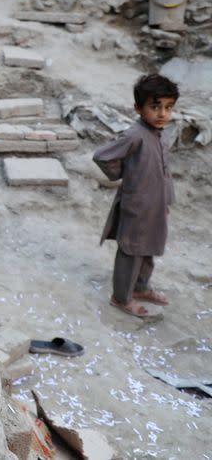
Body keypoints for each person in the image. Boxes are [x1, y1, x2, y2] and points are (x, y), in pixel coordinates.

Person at [93, 74, 179, 318]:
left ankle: (140, 287)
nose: (162, 113)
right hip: (137, 205)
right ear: (138, 108)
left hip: (157, 204)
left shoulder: (160, 133)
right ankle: (121, 297)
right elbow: (103, 156)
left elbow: (163, 170)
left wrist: (167, 199)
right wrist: (123, 173)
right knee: (131, 251)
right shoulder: (135, 135)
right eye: (155, 107)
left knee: (150, 247)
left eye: (168, 107)